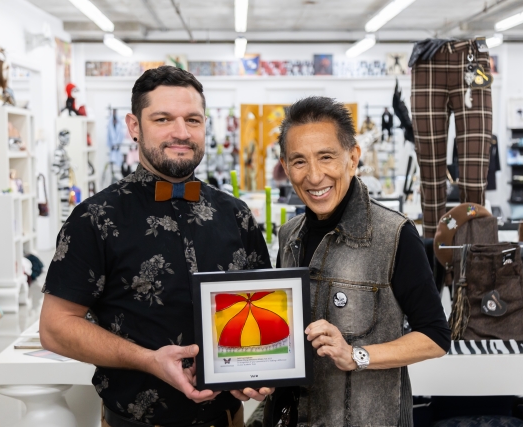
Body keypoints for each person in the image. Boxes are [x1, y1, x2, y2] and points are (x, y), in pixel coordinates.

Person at [40, 66, 273, 427]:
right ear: (135, 126)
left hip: (227, 420)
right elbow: (56, 327)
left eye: (193, 120)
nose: (181, 132)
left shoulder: (237, 216)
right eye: (163, 119)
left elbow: (262, 313)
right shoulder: (95, 218)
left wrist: (255, 372)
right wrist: (147, 359)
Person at [265, 97, 450, 426]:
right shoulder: (289, 235)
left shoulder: (394, 235)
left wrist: (356, 356)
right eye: (299, 161)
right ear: (285, 165)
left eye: (326, 157)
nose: (314, 175)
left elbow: (435, 337)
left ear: (352, 158)